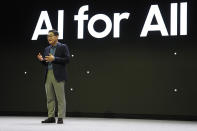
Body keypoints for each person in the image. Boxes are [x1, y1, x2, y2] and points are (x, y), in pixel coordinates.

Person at [37, 29, 70, 124]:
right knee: (49, 97)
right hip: (48, 74)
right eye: (48, 36)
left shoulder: (63, 47)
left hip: (58, 74)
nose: (49, 38)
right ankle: (51, 117)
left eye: (51, 36)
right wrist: (42, 60)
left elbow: (67, 59)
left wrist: (54, 58)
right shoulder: (47, 49)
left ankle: (60, 117)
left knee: (60, 97)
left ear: (56, 37)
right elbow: (47, 63)